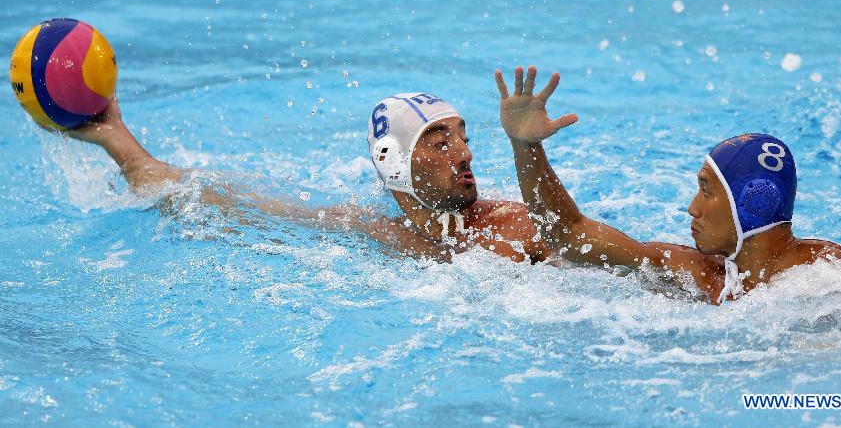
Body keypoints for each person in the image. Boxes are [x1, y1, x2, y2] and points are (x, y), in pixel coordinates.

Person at [495, 66, 841, 303]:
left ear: (753, 202)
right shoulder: (701, 273)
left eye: (707, 190)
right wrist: (526, 147)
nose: (693, 207)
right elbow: (570, 235)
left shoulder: (829, 273)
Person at [63, 93, 548, 263]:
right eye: (440, 142)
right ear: (394, 163)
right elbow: (203, 195)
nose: (464, 153)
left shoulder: (513, 226)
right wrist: (115, 138)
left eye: (464, 137)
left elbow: (585, 247)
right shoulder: (375, 230)